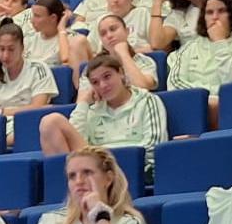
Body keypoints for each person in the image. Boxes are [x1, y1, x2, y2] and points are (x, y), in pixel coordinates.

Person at [39, 53, 167, 158]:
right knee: (50, 122)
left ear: (121, 73)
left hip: (135, 167)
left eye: (107, 76)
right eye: (95, 82)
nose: (103, 85)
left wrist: (109, 161)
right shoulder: (93, 111)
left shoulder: (147, 101)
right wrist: (83, 103)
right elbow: (74, 144)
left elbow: (153, 148)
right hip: (97, 169)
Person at [167, 0, 232, 121]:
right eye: (209, 12)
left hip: (227, 110)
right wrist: (206, 98)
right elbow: (174, 83)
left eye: (221, 11)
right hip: (191, 109)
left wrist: (219, 42)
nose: (215, 17)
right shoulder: (189, 47)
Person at [0, 22, 57, 137]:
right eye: (1, 49)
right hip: (0, 129)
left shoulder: (38, 69)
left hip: (30, 124)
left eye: (11, 49)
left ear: (22, 48)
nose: (5, 55)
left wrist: (3, 112)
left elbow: (38, 107)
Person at [80, 13, 159, 92]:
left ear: (127, 31)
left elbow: (142, 87)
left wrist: (123, 54)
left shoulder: (144, 61)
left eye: (113, 29)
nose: (109, 35)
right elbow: (83, 98)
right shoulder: (92, 67)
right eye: (103, 34)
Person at [22, 0, 90, 69]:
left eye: (37, 16)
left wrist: (61, 29)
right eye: (33, 15)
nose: (32, 20)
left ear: (53, 18)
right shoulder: (28, 38)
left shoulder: (71, 39)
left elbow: (66, 60)